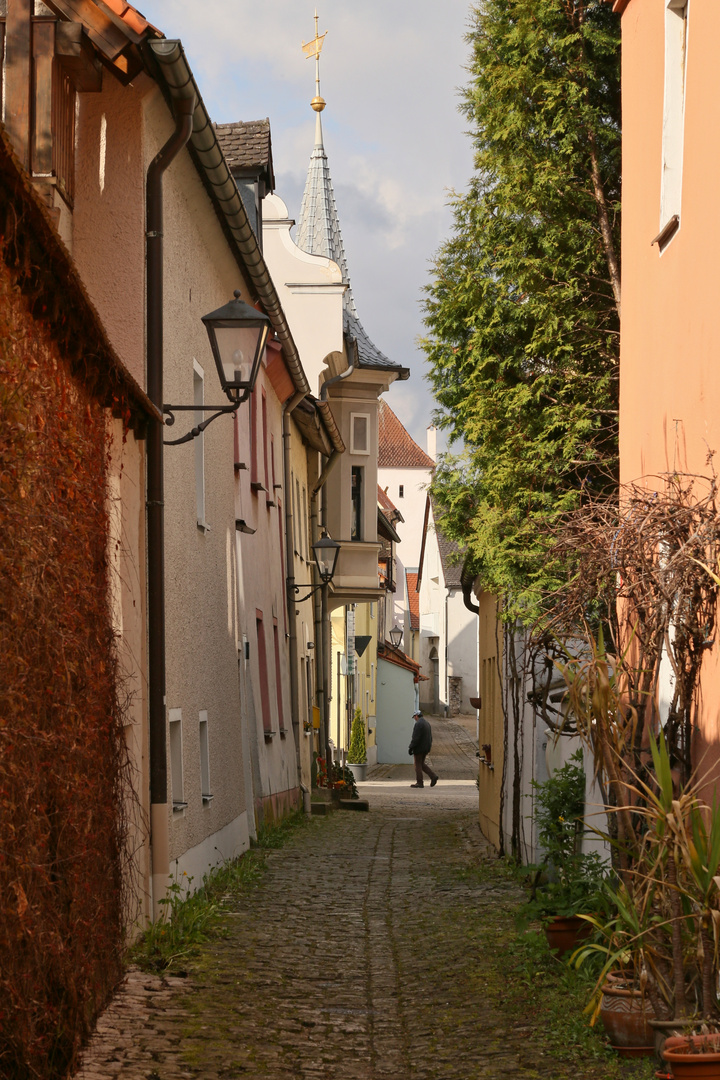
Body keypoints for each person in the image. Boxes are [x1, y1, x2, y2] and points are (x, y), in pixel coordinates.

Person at [408, 710, 438, 788]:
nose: (414, 719)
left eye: (414, 717)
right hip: (426, 747)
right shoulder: (426, 723)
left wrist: (411, 747)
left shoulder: (418, 724)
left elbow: (416, 737)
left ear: (416, 716)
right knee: (421, 764)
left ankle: (419, 782)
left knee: (417, 765)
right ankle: (433, 776)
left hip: (419, 748)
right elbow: (430, 737)